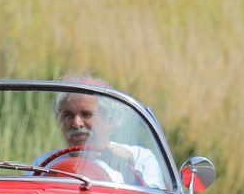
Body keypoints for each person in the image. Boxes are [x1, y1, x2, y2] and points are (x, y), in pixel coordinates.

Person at [35, 75, 164, 188]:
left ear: (111, 120)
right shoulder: (44, 163)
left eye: (86, 114)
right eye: (68, 115)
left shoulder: (140, 158)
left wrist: (131, 171)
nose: (76, 123)